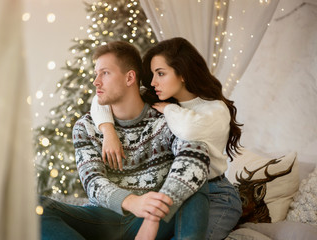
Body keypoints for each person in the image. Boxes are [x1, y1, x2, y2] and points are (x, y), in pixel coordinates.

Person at [39, 40, 211, 240]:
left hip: (152, 219)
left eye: (105, 73)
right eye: (96, 73)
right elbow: (92, 182)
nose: (96, 81)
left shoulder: (167, 118)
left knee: (196, 187)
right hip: (104, 219)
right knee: (35, 208)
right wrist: (132, 202)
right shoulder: (86, 127)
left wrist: (151, 216)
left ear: (130, 77)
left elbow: (196, 157)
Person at [91, 37, 243, 240]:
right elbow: (100, 98)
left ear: (183, 74)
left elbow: (189, 131)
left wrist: (170, 109)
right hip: (173, 191)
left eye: (161, 74)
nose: (153, 82)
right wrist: (108, 131)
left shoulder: (214, 110)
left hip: (214, 194)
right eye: (153, 74)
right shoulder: (160, 98)